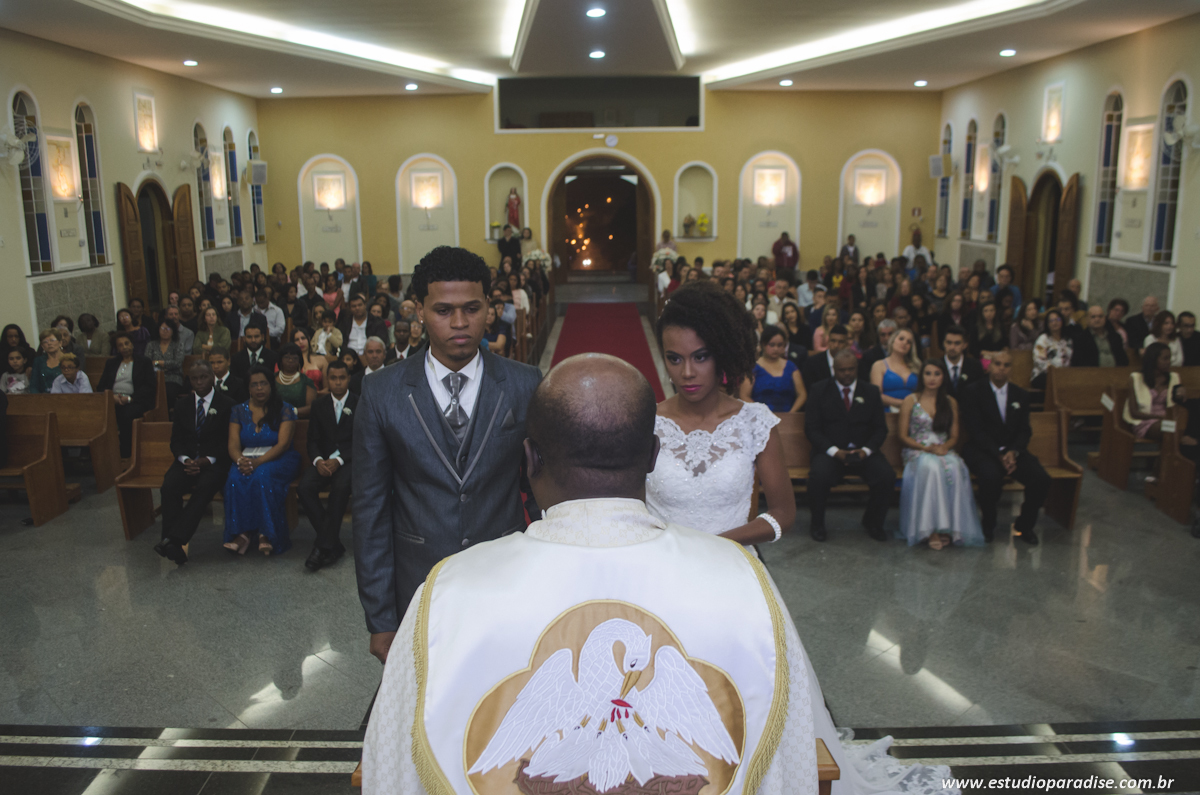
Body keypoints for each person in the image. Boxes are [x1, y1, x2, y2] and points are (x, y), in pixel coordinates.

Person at [362, 347, 841, 794]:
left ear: (528, 460)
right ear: (654, 457)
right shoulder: (744, 585)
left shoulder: (449, 593)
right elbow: (791, 765)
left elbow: (391, 767)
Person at [353, 245, 542, 668]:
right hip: (419, 581)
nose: (459, 323)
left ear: (489, 309)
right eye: (443, 310)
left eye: (472, 308)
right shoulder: (382, 393)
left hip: (505, 577)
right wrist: (380, 618)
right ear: (418, 311)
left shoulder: (523, 383)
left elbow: (540, 490)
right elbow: (370, 509)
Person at [645, 281, 794, 549]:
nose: (687, 372)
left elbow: (783, 514)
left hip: (731, 563)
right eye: (675, 358)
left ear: (722, 354)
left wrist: (713, 545)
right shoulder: (647, 422)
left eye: (700, 357)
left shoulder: (755, 423)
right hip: (663, 566)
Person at [960, 349, 1051, 545]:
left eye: (1006, 365)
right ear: (989, 366)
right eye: (997, 364)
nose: (1001, 369)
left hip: (1012, 450)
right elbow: (976, 430)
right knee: (991, 477)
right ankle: (988, 524)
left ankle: (1024, 525)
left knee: (1040, 479)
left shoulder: (1021, 395)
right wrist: (1000, 453)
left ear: (1011, 368)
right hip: (982, 449)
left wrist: (1013, 451)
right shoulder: (973, 391)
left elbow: (1025, 430)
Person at [153, 361, 235, 565]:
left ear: (212, 378)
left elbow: (229, 442)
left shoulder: (227, 404)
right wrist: (186, 459)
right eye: (194, 378)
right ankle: (173, 544)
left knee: (204, 488)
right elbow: (176, 440)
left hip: (214, 463)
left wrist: (206, 460)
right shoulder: (182, 405)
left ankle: (172, 539)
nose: (199, 382)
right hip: (187, 462)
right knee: (169, 487)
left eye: (203, 377)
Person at [806, 350, 892, 542]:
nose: (847, 374)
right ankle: (817, 524)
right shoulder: (819, 390)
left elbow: (880, 429)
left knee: (886, 476)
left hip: (863, 452)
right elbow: (812, 429)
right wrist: (835, 452)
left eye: (851, 369)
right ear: (833, 369)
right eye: (842, 370)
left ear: (857, 368)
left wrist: (866, 450)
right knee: (818, 477)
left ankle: (873, 522)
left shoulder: (870, 391)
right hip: (831, 451)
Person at [898, 360, 985, 549]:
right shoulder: (911, 400)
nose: (932, 378)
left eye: (937, 374)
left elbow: (954, 436)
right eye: (928, 373)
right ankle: (931, 529)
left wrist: (944, 447)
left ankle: (950, 528)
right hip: (917, 449)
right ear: (922, 376)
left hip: (942, 448)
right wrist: (925, 448)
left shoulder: (950, 402)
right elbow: (903, 436)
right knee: (932, 468)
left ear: (943, 377)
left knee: (955, 467)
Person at [223, 367, 301, 556]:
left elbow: (283, 445)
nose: (259, 388)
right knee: (234, 477)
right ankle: (242, 533)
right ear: (248, 387)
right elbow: (233, 444)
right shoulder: (238, 410)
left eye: (263, 383)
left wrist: (257, 463)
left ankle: (267, 533)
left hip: (280, 459)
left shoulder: (285, 409)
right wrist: (241, 460)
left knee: (262, 476)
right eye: (254, 384)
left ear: (271, 385)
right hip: (248, 458)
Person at [298, 358, 357, 572]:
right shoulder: (319, 404)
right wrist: (318, 461)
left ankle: (321, 547)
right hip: (323, 461)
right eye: (333, 378)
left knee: (340, 488)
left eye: (342, 378)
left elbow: (362, 440)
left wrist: (339, 459)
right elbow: (312, 439)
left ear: (349, 379)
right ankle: (331, 543)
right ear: (327, 380)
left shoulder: (360, 403)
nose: (338, 382)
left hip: (348, 461)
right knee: (305, 488)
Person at [98, 332, 157, 458]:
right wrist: (112, 397)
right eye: (120, 345)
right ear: (117, 348)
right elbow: (101, 386)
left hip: (136, 400)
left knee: (126, 414)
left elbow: (149, 386)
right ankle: (103, 453)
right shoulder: (111, 363)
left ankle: (126, 453)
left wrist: (130, 398)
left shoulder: (144, 362)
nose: (124, 347)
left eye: (126, 343)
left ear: (132, 344)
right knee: (101, 414)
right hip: (113, 399)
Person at [1123, 342, 1184, 440]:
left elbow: (1178, 405)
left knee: (1179, 427)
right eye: (1165, 358)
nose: (1169, 362)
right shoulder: (1137, 378)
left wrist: (1181, 396)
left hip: (1169, 420)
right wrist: (1159, 417)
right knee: (1169, 428)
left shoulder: (1174, 377)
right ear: (1154, 359)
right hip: (1145, 421)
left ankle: (1174, 453)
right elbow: (1134, 412)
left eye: (1169, 358)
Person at [742, 325, 806, 412]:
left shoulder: (791, 367)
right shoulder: (753, 368)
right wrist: (761, 414)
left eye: (780, 345)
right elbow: (744, 395)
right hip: (759, 418)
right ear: (763, 344)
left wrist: (791, 413)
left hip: (788, 417)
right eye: (772, 345)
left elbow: (802, 394)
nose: (776, 349)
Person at [870, 328, 920, 412]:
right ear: (892, 341)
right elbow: (877, 395)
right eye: (901, 339)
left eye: (909, 342)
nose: (904, 343)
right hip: (886, 412)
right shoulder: (879, 365)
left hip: (913, 411)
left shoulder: (917, 366)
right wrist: (902, 404)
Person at [146, 317, 187, 408]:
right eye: (162, 329)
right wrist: (166, 365)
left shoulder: (178, 345)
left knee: (167, 393)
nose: (165, 331)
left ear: (173, 331)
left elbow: (177, 363)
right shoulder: (151, 345)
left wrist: (158, 362)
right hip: (154, 378)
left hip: (173, 378)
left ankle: (167, 417)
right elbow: (147, 363)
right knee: (148, 392)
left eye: (168, 329)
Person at [940, 324, 985, 398]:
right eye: (949, 342)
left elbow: (981, 393)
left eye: (957, 343)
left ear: (965, 345)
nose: (952, 347)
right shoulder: (936, 365)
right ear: (944, 343)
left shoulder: (975, 366)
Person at [1031, 309, 1072, 389]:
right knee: (1055, 380)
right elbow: (1039, 361)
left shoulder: (1068, 340)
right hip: (1043, 374)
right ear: (1047, 324)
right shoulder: (1043, 339)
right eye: (1051, 321)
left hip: (1063, 374)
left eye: (1057, 319)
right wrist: (1054, 372)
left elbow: (1069, 359)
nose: (1054, 323)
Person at [801, 323, 849, 389]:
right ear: (828, 341)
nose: (836, 345)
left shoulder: (852, 363)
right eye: (833, 341)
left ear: (846, 344)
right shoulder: (813, 363)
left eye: (840, 342)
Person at [274, 344, 317, 418]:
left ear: (300, 361)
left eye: (295, 358)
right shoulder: (271, 379)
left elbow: (311, 407)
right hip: (273, 419)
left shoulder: (306, 381)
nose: (290, 360)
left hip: (299, 421)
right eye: (287, 357)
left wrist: (292, 412)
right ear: (280, 360)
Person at [231, 318, 278, 383]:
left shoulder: (273, 357)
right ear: (244, 338)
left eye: (256, 336)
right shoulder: (236, 358)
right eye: (249, 337)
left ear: (263, 337)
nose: (253, 340)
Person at [291, 327, 328, 392]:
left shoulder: (321, 360)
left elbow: (327, 388)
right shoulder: (289, 361)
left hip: (318, 398)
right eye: (297, 340)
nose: (300, 342)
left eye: (303, 338)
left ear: (308, 339)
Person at [29, 329, 64, 393]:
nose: (49, 343)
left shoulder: (69, 359)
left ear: (60, 343)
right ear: (42, 346)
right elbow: (34, 386)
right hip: (42, 399)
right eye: (45, 341)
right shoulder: (38, 361)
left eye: (52, 340)